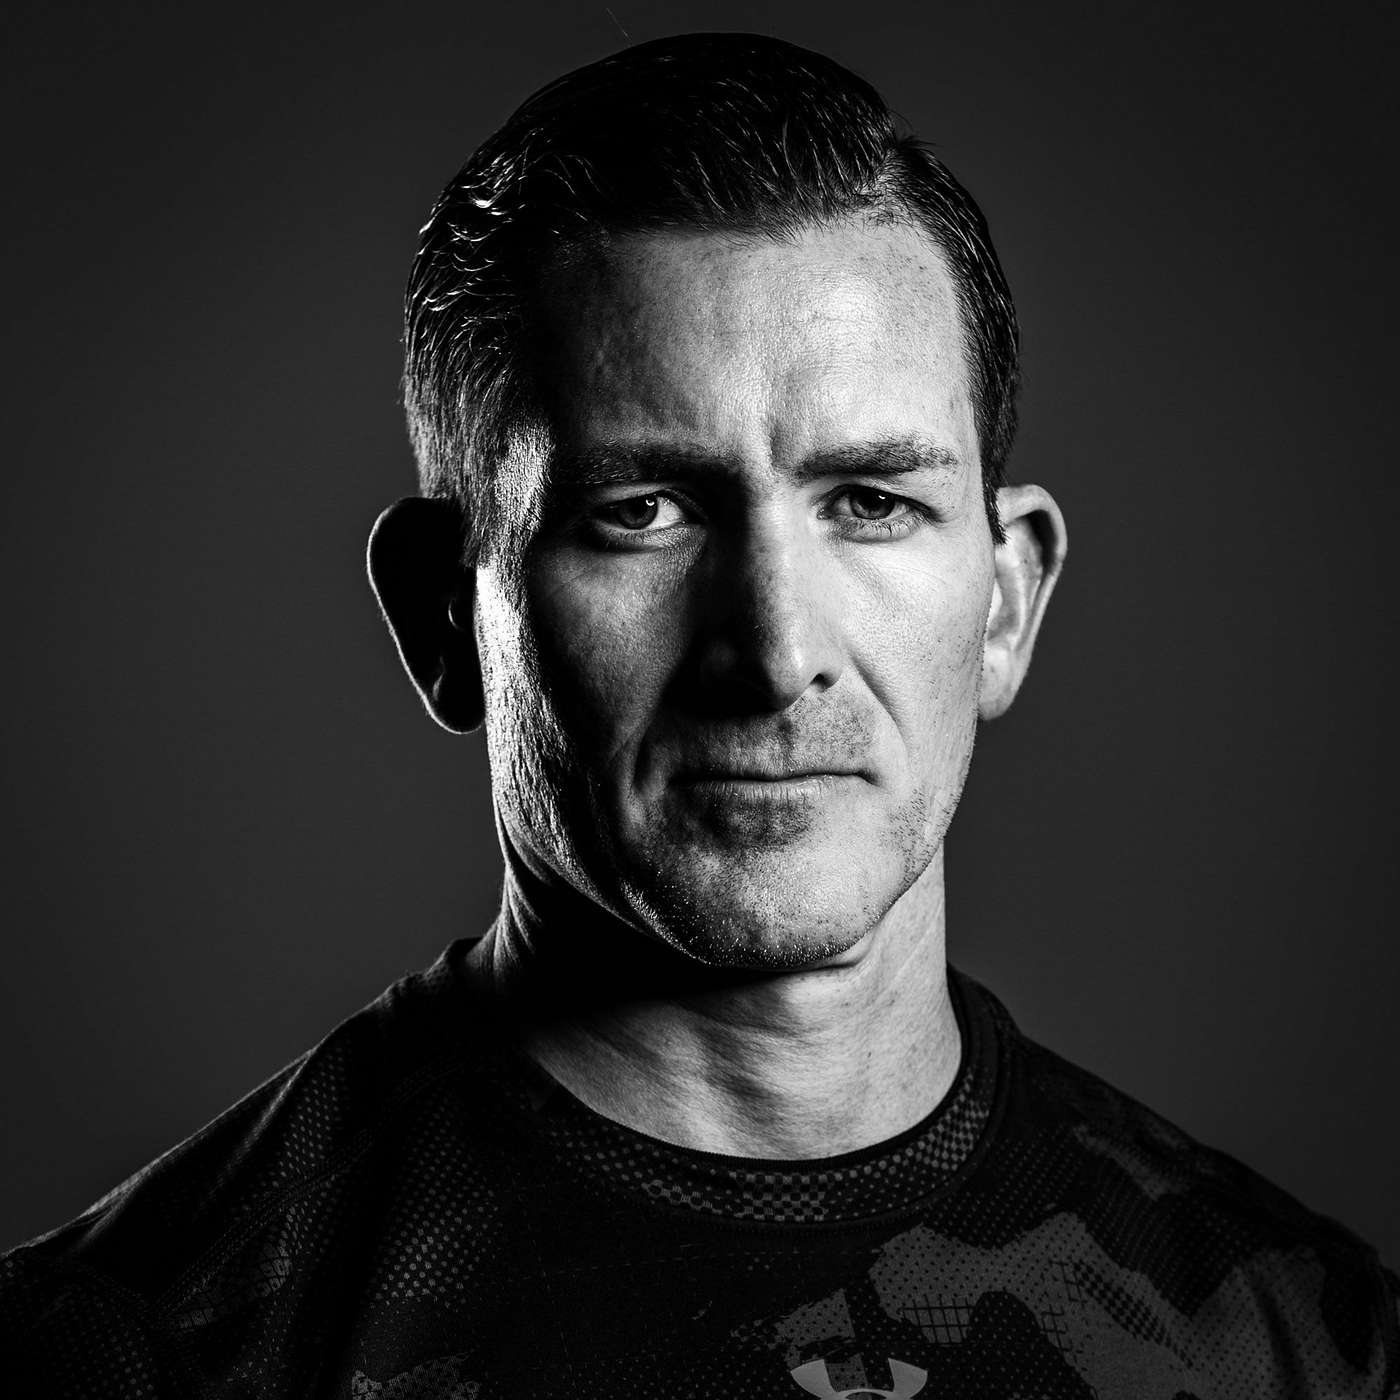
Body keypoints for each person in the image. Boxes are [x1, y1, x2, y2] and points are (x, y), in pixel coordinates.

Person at [1, 31, 1394, 1398]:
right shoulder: (125, 1359)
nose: (776, 655)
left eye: (872, 503)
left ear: (1005, 600)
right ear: (445, 615)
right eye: (643, 512)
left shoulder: (1312, 1350)